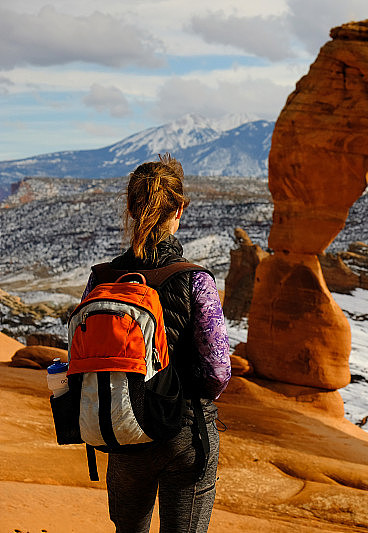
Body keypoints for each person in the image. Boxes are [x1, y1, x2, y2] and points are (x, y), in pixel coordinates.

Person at [80, 154, 231, 532]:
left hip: (123, 426)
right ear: (179, 208)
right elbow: (218, 371)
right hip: (185, 431)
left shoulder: (101, 280)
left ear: (131, 208)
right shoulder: (196, 280)